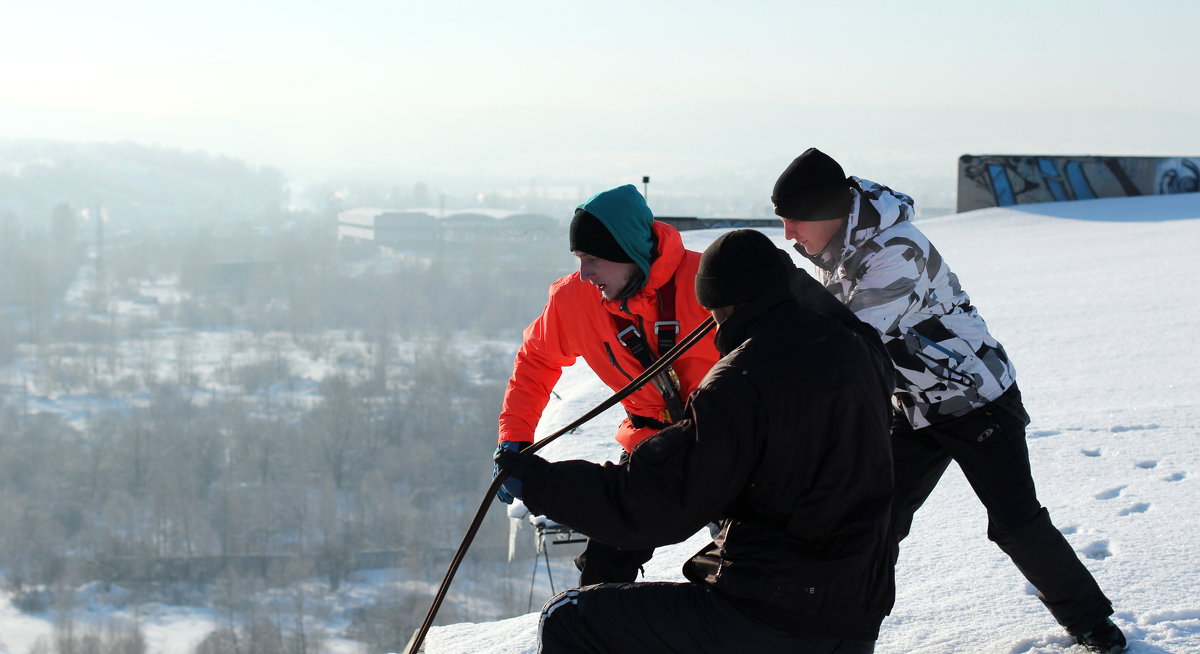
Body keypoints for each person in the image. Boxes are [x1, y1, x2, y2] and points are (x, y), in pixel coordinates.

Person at [770, 147, 1127, 653]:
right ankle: (840, 624)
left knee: (1015, 523)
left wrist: (780, 295)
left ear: (829, 211)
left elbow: (851, 336)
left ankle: (1093, 625)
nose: (788, 234)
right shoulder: (838, 246)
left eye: (794, 221)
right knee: (874, 520)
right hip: (913, 407)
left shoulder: (895, 250)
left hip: (978, 400)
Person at [495, 229, 897, 653]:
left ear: (720, 304)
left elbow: (659, 503)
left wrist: (538, 483)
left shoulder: (739, 381)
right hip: (856, 614)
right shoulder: (859, 352)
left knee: (571, 618)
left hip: (772, 614)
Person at [494, 184, 720, 585]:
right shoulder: (574, 300)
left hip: (726, 442)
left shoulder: (711, 283)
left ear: (629, 251)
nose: (584, 273)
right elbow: (536, 360)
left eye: (593, 259)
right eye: (580, 259)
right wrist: (515, 436)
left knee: (752, 563)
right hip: (650, 446)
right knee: (605, 564)